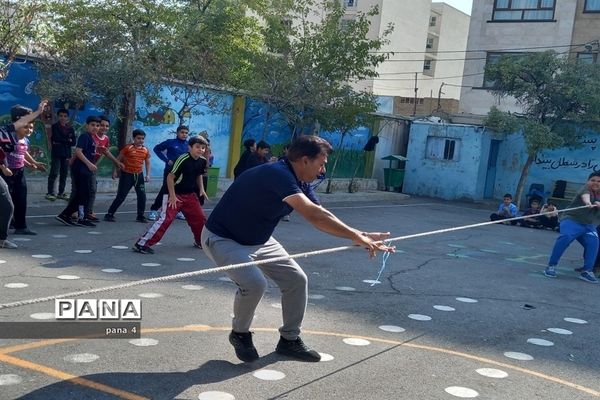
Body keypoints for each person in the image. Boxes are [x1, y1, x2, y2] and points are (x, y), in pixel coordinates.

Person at [200, 135, 394, 363]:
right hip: (223, 238)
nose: (322, 171)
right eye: (321, 164)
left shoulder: (299, 181)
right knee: (254, 284)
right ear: (304, 160)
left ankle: (289, 341)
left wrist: (360, 235)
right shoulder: (277, 174)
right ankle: (240, 334)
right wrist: (356, 236)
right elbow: (314, 216)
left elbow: (322, 215)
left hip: (260, 241)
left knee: (296, 280)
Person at [133, 136, 208, 254]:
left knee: (200, 219)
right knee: (165, 220)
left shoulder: (202, 160)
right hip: (173, 193)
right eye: (197, 147)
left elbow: (199, 174)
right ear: (190, 147)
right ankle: (142, 244)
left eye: (203, 148)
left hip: (190, 195)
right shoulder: (182, 159)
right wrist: (172, 196)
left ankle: (200, 241)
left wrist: (202, 189)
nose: (200, 150)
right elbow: (170, 177)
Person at [0, 100, 48, 248]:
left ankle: (2, 239)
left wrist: (39, 111)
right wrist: (3, 167)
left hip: (9, 171)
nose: (29, 123)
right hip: (5, 171)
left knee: (8, 205)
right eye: (27, 119)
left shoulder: (5, 130)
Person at [544, 171, 600, 283]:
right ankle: (551, 266)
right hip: (571, 221)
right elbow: (585, 196)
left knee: (594, 242)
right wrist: (588, 202)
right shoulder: (585, 189)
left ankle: (587, 271)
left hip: (588, 226)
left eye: (599, 181)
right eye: (592, 180)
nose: (595, 183)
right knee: (566, 237)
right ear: (588, 181)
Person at [55, 116, 101, 227]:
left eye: (97, 125)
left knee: (83, 195)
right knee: (83, 194)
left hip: (85, 170)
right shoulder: (85, 136)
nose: (95, 127)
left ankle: (79, 217)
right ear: (87, 126)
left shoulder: (91, 138)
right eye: (92, 125)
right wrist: (89, 164)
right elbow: (78, 151)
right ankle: (69, 215)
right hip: (81, 170)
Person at [104, 129, 151, 223]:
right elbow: (118, 159)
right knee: (121, 196)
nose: (141, 140)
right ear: (134, 138)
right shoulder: (128, 148)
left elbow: (147, 162)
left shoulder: (145, 150)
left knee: (142, 196)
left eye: (142, 138)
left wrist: (148, 175)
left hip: (139, 175)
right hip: (127, 175)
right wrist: (115, 172)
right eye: (138, 138)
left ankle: (140, 216)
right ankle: (109, 214)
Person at [147, 125, 190, 221]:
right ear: (177, 133)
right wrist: (167, 160)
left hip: (183, 173)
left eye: (186, 133)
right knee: (165, 190)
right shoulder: (170, 142)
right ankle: (154, 210)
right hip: (170, 171)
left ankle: (178, 211)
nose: (184, 134)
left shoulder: (189, 145)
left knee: (179, 192)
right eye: (182, 132)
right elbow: (156, 149)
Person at [86, 115, 124, 221]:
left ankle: (88, 211)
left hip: (93, 167)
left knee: (92, 190)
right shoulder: (90, 136)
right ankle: (76, 211)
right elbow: (80, 151)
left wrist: (116, 163)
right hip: (84, 166)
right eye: (101, 125)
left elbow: (106, 152)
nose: (104, 128)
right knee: (80, 190)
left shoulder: (106, 139)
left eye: (107, 126)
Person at [46, 108, 76, 201]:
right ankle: (50, 193)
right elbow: (55, 139)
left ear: (67, 117)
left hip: (66, 154)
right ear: (58, 116)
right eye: (61, 116)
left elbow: (73, 142)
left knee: (64, 173)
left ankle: (61, 193)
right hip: (57, 153)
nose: (63, 118)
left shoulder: (70, 128)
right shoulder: (54, 126)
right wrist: (67, 140)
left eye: (65, 116)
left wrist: (64, 141)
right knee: (54, 173)